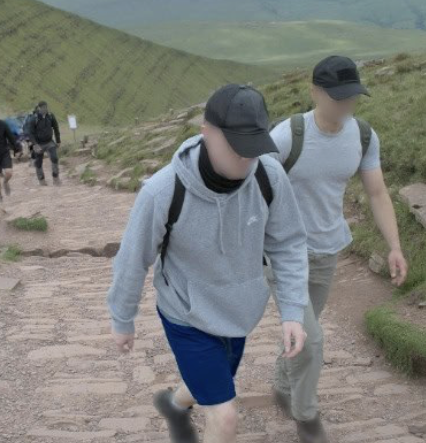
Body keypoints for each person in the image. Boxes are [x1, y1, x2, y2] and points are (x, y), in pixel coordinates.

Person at [107, 84, 310, 443]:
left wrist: (292, 310)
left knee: (212, 382)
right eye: (236, 147)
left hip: (238, 313)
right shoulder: (163, 190)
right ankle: (185, 401)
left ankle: (174, 403)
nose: (246, 159)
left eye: (253, 147)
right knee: (225, 414)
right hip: (186, 314)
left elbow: (289, 244)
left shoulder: (269, 176)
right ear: (207, 133)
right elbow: (133, 260)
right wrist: (122, 319)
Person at [267, 56, 409, 443]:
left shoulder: (363, 136)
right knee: (312, 339)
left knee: (300, 332)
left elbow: (377, 192)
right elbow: (255, 191)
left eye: (352, 97)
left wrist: (394, 246)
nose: (346, 105)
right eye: (338, 97)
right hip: (284, 255)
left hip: (328, 250)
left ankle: (281, 385)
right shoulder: (286, 135)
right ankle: (307, 420)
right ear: (315, 92)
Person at [29, 101, 62, 186]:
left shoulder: (50, 116)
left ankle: (56, 178)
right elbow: (30, 133)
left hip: (49, 142)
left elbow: (56, 127)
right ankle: (41, 180)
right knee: (38, 162)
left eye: (46, 107)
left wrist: (58, 140)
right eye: (43, 108)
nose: (45, 109)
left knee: (54, 158)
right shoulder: (34, 119)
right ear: (39, 108)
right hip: (38, 143)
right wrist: (35, 144)